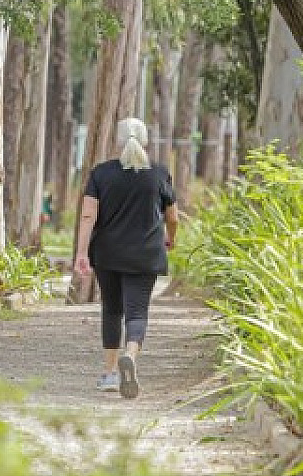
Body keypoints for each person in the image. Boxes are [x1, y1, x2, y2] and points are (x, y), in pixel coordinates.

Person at [74, 117, 178, 399]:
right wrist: (171, 238)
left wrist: (82, 253)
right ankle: (130, 355)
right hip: (146, 254)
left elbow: (87, 215)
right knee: (137, 312)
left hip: (108, 253)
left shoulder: (101, 174)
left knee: (111, 310)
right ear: (145, 140)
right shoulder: (159, 174)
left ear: (117, 141)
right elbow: (172, 217)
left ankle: (109, 374)